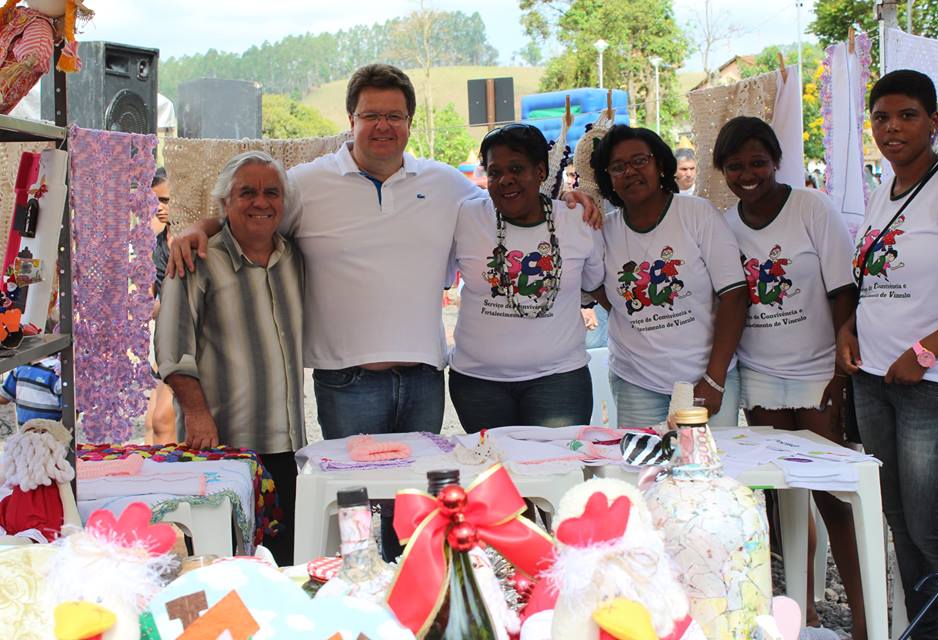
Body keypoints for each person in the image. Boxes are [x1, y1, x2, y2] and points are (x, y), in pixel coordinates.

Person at [167, 64, 598, 442]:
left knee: (415, 508)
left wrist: (573, 199)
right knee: (353, 504)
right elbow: (254, 215)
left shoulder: (446, 183)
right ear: (351, 119)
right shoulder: (306, 183)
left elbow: (513, 202)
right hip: (346, 381)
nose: (383, 126)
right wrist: (201, 226)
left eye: (394, 116)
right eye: (371, 115)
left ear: (410, 121)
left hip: (425, 379)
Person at [714, 116, 865, 640]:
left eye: (758, 162)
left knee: (832, 495)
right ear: (722, 171)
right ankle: (804, 610)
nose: (747, 174)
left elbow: (843, 289)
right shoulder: (724, 223)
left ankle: (865, 618)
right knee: (781, 494)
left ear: (777, 161)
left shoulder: (811, 207)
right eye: (735, 166)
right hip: (760, 376)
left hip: (819, 371)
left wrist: (841, 372)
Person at [838, 69, 938, 639]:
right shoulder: (882, 194)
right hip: (874, 380)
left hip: (934, 384)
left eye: (907, 115)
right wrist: (850, 331)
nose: (892, 128)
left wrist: (926, 352)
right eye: (881, 117)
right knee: (900, 522)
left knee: (933, 527)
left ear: (934, 121)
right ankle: (926, 628)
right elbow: (874, 283)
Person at [156, 151, 304, 566]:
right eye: (247, 193)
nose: (261, 202)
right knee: (223, 563)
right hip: (222, 449)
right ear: (224, 204)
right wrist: (197, 413)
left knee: (283, 561)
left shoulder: (295, 258)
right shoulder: (196, 260)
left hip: (285, 447)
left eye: (271, 192)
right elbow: (171, 349)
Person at [449, 124, 604, 431]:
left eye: (517, 168)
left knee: (557, 472)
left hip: (559, 382)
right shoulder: (465, 216)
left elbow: (595, 284)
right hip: (478, 385)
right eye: (494, 172)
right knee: (493, 475)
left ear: (541, 171)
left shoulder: (577, 220)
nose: (505, 179)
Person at [589, 125, 747, 427]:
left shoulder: (697, 214)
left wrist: (714, 380)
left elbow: (735, 296)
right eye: (617, 167)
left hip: (705, 379)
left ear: (659, 164)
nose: (630, 172)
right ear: (608, 177)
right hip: (636, 383)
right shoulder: (603, 231)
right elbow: (602, 294)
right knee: (644, 471)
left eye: (640, 161)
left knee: (711, 469)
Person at [145, 168, 175, 445]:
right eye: (155, 201)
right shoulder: (157, 240)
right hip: (163, 338)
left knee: (163, 420)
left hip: (184, 339)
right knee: (151, 422)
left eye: (166, 200)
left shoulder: (190, 239)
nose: (159, 208)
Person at [0, 356, 62, 429]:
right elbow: (4, 397)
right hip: (24, 435)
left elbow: (71, 410)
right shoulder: (19, 367)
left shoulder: (56, 370)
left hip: (50, 436)